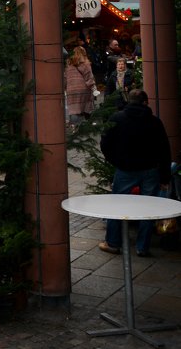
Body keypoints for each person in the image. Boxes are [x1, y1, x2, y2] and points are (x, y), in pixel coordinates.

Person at [98, 89, 172, 256]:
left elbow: (105, 144)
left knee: (117, 206)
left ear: (129, 101)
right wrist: (165, 176)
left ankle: (113, 243)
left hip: (125, 169)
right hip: (150, 170)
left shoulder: (117, 119)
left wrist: (115, 161)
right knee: (148, 208)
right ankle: (142, 247)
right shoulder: (155, 122)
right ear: (145, 102)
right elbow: (164, 150)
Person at [64, 46, 96, 123]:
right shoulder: (85, 63)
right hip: (84, 89)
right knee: (86, 107)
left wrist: (65, 88)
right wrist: (93, 87)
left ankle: (75, 127)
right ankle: (88, 126)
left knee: (74, 110)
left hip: (71, 90)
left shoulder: (68, 64)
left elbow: (64, 77)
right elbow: (89, 77)